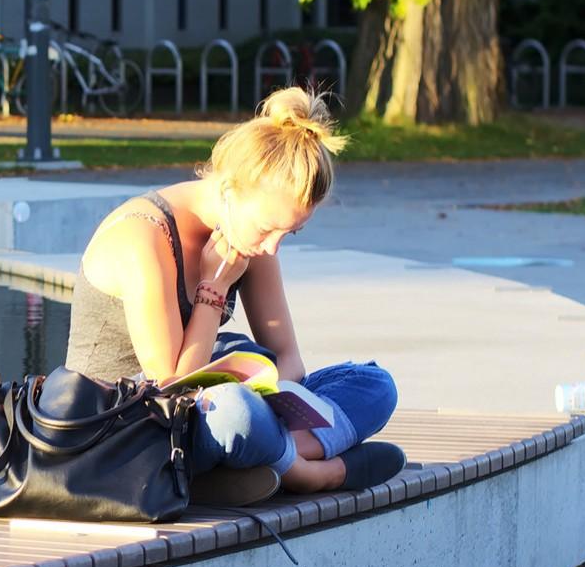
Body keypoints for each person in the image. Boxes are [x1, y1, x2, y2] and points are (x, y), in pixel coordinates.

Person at [63, 86, 403, 503]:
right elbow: (171, 387)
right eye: (268, 229)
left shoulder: (248, 232)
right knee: (233, 412)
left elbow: (288, 357)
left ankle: (255, 458)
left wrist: (281, 399)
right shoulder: (143, 238)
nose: (273, 247)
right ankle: (310, 474)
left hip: (202, 416)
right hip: (125, 431)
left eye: (290, 233)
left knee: (373, 385)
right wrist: (214, 288)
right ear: (229, 192)